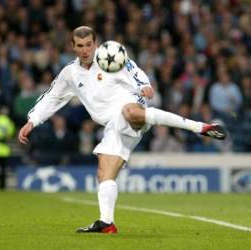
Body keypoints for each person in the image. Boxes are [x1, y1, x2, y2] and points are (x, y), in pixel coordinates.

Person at [18, 26, 227, 234]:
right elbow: (52, 97)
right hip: (112, 127)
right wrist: (32, 121)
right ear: (72, 47)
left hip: (130, 105)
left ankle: (199, 127)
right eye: (80, 46)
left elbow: (134, 70)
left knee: (129, 112)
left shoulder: (110, 56)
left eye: (89, 45)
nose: (85, 50)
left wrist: (145, 85)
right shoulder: (70, 73)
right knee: (104, 172)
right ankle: (106, 222)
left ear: (96, 43)